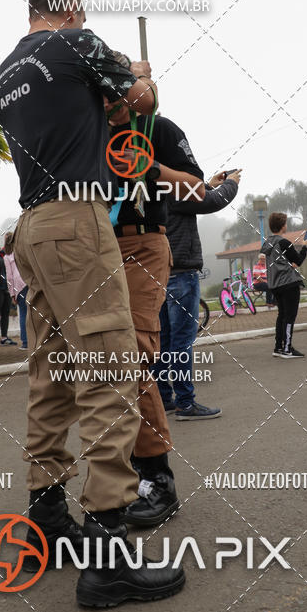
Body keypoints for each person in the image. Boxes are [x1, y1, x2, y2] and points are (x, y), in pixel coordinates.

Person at [0, 0, 184, 606]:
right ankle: (108, 554)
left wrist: (114, 99)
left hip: (33, 228)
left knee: (50, 377)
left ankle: (44, 519)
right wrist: (142, 79)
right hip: (78, 222)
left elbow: (82, 123)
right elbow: (143, 97)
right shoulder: (75, 44)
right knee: (108, 374)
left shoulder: (8, 69)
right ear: (69, 8)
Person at [104, 54, 205, 528]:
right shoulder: (88, 130)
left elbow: (197, 190)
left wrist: (149, 169)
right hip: (94, 248)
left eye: (124, 87)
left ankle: (156, 478)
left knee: (137, 351)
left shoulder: (159, 128)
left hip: (143, 244)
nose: (114, 99)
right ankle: (110, 478)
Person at [156, 168, 240, 423]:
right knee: (181, 342)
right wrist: (232, 185)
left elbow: (196, 195)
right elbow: (212, 202)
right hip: (182, 273)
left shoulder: (154, 186)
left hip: (159, 274)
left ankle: (163, 397)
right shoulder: (175, 187)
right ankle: (185, 403)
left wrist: (208, 184)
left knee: (162, 341)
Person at [261, 212, 307, 358]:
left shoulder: (268, 243)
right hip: (289, 284)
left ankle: (278, 347)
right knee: (289, 316)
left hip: (275, 284)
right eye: (285, 223)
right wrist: (305, 247)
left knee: (281, 315)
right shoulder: (284, 243)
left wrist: (289, 263)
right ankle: (287, 348)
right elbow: (298, 260)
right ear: (282, 225)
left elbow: (280, 262)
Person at [3, 231, 28, 349]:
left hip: (19, 286)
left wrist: (12, 293)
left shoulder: (7, 257)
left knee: (23, 313)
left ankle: (26, 342)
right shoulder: (23, 252)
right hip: (29, 281)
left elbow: (9, 276)